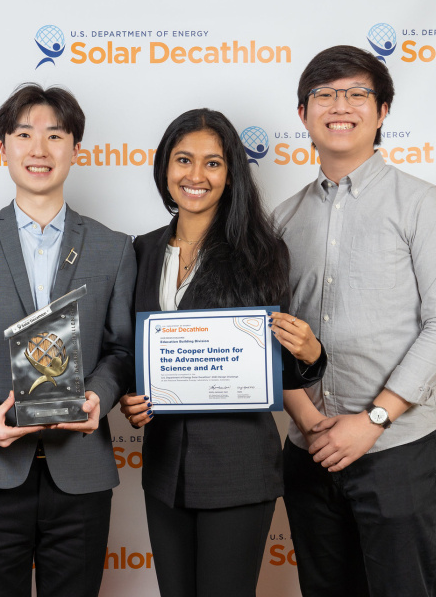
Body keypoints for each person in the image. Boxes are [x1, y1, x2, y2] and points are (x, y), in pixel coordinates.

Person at [0, 84, 135, 597]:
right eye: (24, 134)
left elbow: (120, 349)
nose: (39, 149)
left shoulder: (113, 248)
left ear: (76, 149)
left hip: (81, 474)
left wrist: (99, 397)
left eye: (55, 135)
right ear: (3, 146)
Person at [119, 109, 325, 597]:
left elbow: (278, 371)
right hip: (164, 469)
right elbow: (131, 352)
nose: (196, 175)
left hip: (238, 468)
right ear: (164, 167)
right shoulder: (139, 251)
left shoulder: (261, 252)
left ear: (231, 173)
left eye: (212, 163)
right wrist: (130, 396)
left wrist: (311, 353)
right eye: (183, 160)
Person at [274, 45, 436, 597]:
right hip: (309, 453)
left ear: (383, 111)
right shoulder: (282, 219)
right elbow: (269, 337)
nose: (340, 106)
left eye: (357, 94)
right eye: (324, 94)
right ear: (303, 114)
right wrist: (308, 419)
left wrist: (373, 419)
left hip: (397, 451)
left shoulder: (422, 206)